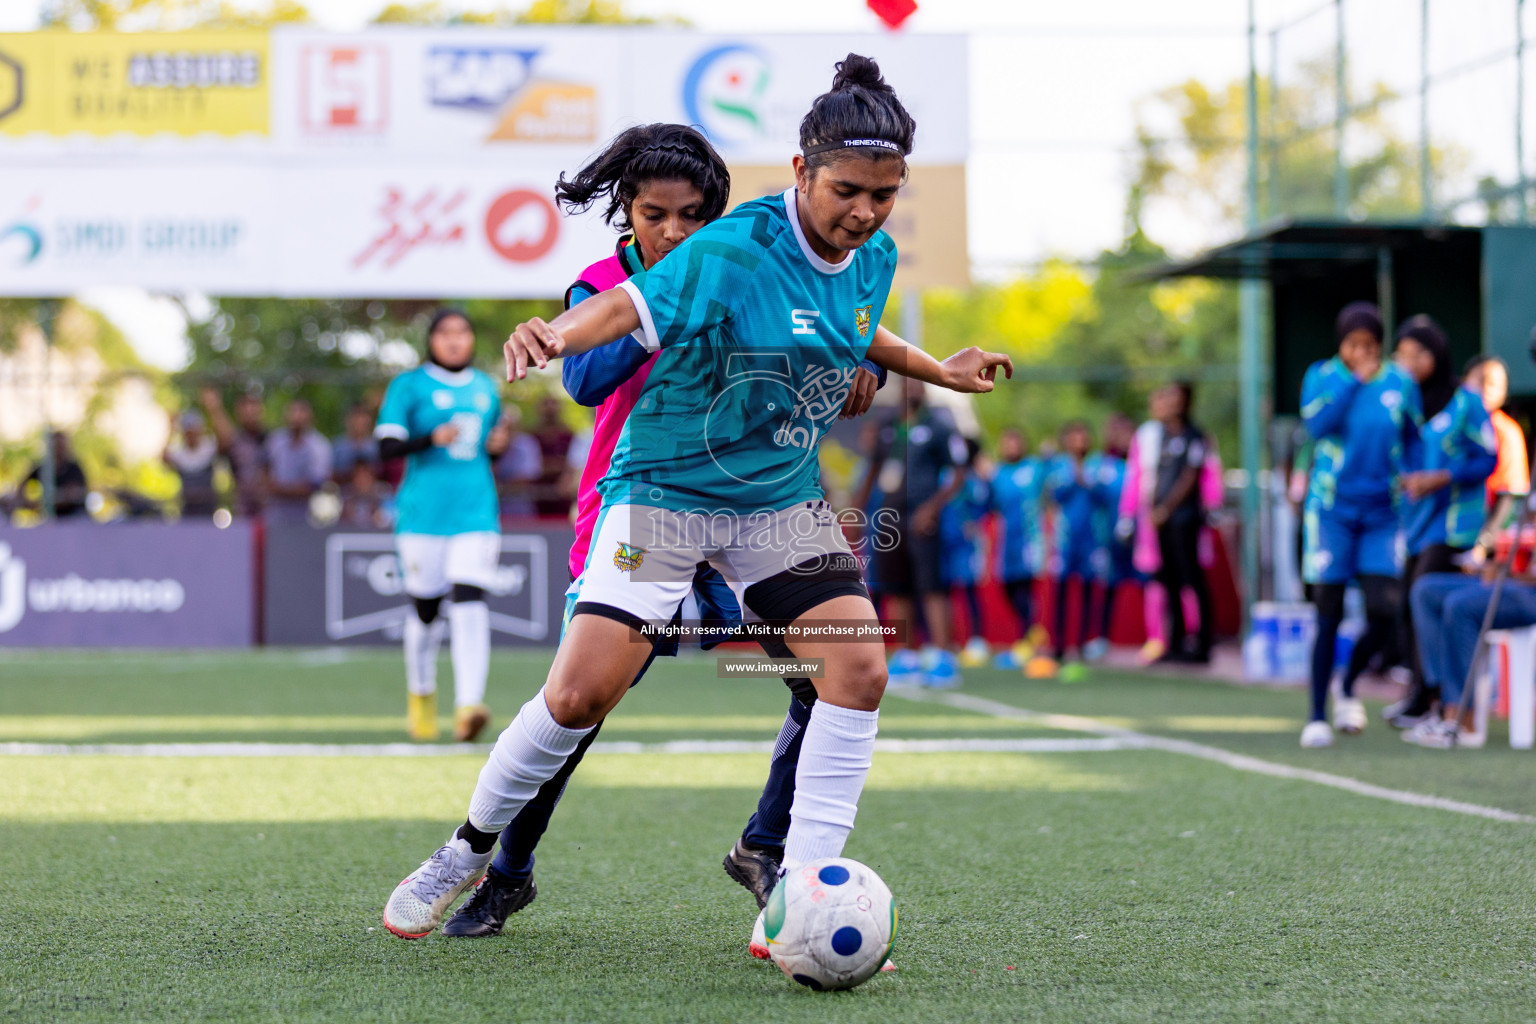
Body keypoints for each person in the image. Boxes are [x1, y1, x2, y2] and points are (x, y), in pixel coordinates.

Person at [382, 55, 1011, 951]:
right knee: (581, 693)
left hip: (775, 502)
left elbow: (857, 320)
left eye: (884, 193)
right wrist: (553, 334)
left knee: (855, 667)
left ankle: (797, 884)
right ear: (800, 170)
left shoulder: (873, 252)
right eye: (847, 190)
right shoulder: (727, 247)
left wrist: (931, 367)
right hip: (663, 494)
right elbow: (621, 310)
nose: (866, 212)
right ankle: (472, 851)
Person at [440, 122, 889, 941]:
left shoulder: (751, 263)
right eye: (656, 215)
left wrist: (863, 363)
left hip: (746, 510)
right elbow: (580, 377)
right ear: (628, 211)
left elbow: (829, 326)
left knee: (823, 673)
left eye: (692, 218)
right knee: (581, 705)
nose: (675, 232)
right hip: (638, 510)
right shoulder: (606, 280)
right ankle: (506, 871)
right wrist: (662, 309)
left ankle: (766, 848)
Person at [374, 309, 512, 744]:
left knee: (470, 600)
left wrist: (498, 448)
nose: (455, 341)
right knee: (426, 612)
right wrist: (429, 439)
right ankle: (422, 694)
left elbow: (485, 452)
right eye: (445, 334)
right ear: (431, 341)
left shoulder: (486, 388)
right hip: (422, 518)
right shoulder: (409, 386)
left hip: (475, 514)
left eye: (462, 333)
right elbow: (386, 446)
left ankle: (469, 705)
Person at [1295, 302, 1421, 749]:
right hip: (1331, 510)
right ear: (1341, 344)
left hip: (1383, 514)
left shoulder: (1400, 382)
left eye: (1369, 345)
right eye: (1353, 344)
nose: (1361, 352)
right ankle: (1315, 715)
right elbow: (1318, 426)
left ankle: (1347, 683)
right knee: (1327, 608)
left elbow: (1413, 436)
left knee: (1385, 609)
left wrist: (1416, 474)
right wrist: (1353, 381)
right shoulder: (1323, 376)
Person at [1386, 315, 1499, 729]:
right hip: (1415, 524)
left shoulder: (1465, 401)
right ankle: (1422, 696)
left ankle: (1441, 701)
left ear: (1436, 354)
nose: (1408, 362)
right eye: (1402, 354)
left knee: (1427, 599)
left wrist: (1443, 477)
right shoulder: (1403, 402)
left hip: (1454, 526)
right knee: (1407, 609)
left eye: (1417, 353)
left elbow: (1489, 458)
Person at [859, 377, 970, 687]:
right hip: (889, 518)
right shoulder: (886, 425)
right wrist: (856, 511)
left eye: (919, 384)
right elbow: (872, 471)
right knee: (897, 586)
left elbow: (959, 473)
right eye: (908, 384)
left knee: (931, 586)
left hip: (923, 518)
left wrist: (932, 508)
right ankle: (907, 657)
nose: (914, 389)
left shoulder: (940, 426)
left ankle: (943, 658)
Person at [1149, 382, 1216, 664]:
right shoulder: (1162, 436)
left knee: (1192, 580)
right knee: (1171, 581)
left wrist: (1166, 508)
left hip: (1184, 520)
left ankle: (1202, 645)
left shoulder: (1196, 436)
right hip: (1163, 522)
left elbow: (1190, 476)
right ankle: (1174, 643)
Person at [1048, 421, 1108, 674]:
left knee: (1086, 591)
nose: (1079, 442)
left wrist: (1089, 482)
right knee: (1060, 592)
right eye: (1074, 437)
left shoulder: (1098, 465)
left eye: (1082, 437)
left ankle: (1083, 642)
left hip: (1090, 539)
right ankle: (1058, 644)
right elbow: (1055, 495)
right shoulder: (1059, 466)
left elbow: (1104, 497)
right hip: (1065, 539)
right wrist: (1074, 479)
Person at [988, 426, 1048, 670]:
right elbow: (990, 503)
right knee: (1007, 588)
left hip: (1029, 539)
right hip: (1007, 541)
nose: (1010, 447)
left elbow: (1050, 491)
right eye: (1006, 442)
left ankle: (1026, 640)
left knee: (1025, 587)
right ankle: (1032, 632)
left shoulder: (1035, 468)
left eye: (1015, 442)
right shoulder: (997, 473)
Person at [941, 438, 993, 667]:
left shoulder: (973, 479)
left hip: (967, 543)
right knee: (943, 591)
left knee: (970, 589)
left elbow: (984, 504)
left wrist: (975, 523)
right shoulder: (943, 475)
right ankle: (945, 642)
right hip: (944, 541)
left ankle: (977, 640)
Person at [1091, 412, 1137, 660]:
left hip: (1139, 540)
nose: (1121, 438)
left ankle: (1158, 638)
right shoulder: (1102, 464)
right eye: (1116, 432)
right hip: (1109, 540)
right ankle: (1100, 639)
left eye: (1126, 433)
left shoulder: (1141, 464)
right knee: (1108, 589)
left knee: (1150, 586)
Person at [1464, 355, 1529, 509]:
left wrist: (1489, 532)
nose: (1486, 389)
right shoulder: (1449, 422)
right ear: (1464, 381)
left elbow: (1510, 492)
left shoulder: (1507, 431)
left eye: (1494, 384)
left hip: (1485, 518)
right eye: (1480, 380)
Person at [263, 399, 333, 525]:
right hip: (276, 516)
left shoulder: (320, 446)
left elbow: (315, 485)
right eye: (293, 412)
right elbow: (265, 477)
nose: (297, 417)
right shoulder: (275, 441)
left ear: (310, 418)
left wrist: (280, 490)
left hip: (308, 518)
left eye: (301, 412)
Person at [201, 388, 268, 518]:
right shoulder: (236, 440)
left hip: (269, 506)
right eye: (245, 408)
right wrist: (214, 408)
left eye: (254, 407)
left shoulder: (272, 439)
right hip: (242, 505)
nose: (250, 412)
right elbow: (226, 437)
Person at [164, 411, 220, 519]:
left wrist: (214, 410)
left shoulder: (209, 447)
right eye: (188, 431)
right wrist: (171, 430)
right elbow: (164, 459)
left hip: (208, 507)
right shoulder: (179, 453)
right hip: (187, 507)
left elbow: (225, 443)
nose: (191, 435)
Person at [21, 431, 89, 519]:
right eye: (56, 446)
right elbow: (22, 487)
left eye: (61, 446)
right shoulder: (43, 468)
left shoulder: (74, 468)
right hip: (48, 518)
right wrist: (30, 502)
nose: (59, 450)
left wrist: (60, 498)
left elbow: (76, 492)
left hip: (73, 517)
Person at [492, 407, 541, 519]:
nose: (506, 430)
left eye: (509, 427)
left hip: (520, 508)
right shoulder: (489, 443)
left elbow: (529, 476)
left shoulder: (527, 444)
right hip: (493, 509)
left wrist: (500, 487)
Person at [530, 395, 574, 518]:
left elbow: (573, 462)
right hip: (537, 492)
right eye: (546, 404)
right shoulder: (532, 435)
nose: (550, 408)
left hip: (562, 493)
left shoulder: (568, 434)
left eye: (553, 404)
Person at [332, 403, 381, 482]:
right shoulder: (338, 446)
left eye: (363, 417)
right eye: (356, 416)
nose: (359, 421)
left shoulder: (377, 446)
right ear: (348, 420)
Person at [339, 461, 393, 529]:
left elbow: (390, 517)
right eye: (358, 477)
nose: (362, 480)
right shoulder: (346, 494)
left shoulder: (383, 492)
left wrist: (379, 515)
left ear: (372, 477)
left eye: (365, 476)